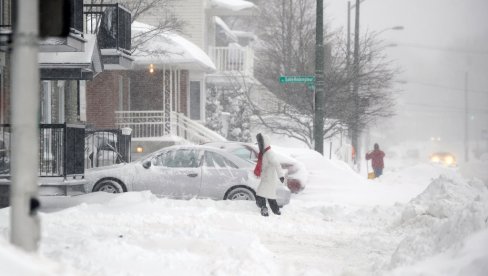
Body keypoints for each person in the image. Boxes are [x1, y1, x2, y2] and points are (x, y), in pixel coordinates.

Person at [254, 133, 285, 216]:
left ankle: (265, 209)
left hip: (269, 179)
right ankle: (276, 211)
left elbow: (277, 164)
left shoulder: (269, 153)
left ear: (265, 143)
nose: (259, 145)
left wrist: (281, 175)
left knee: (261, 194)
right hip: (267, 178)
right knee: (269, 196)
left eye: (260, 143)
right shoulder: (264, 153)